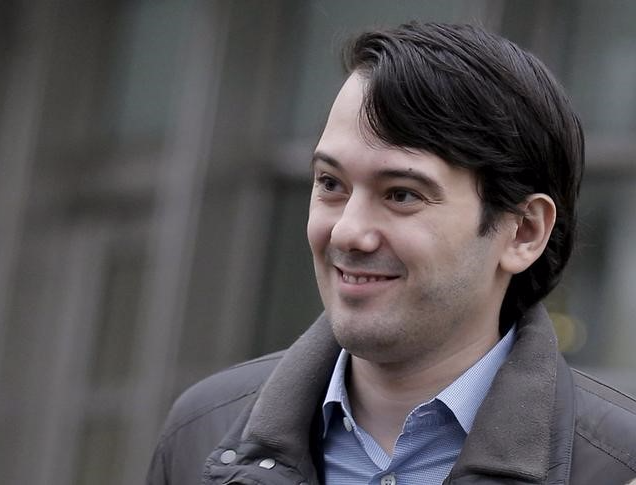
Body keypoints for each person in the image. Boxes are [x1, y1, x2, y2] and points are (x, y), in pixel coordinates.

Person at [146, 22, 636, 484]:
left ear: (523, 232)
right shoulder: (203, 435)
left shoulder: (613, 463)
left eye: (401, 194)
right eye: (330, 184)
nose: (348, 232)